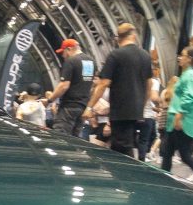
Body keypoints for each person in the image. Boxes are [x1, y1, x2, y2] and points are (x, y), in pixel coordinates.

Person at [84, 23, 153, 157]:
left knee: (121, 147)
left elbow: (103, 83)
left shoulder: (116, 55)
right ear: (133, 35)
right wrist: (141, 106)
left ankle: (129, 170)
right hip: (136, 111)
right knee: (123, 144)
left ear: (118, 38)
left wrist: (89, 107)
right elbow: (148, 84)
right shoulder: (145, 56)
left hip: (120, 110)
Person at [161, 46, 193, 179]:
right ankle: (163, 179)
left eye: (182, 55)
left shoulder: (191, 75)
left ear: (190, 59)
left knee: (185, 155)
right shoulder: (188, 74)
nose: (179, 58)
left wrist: (179, 115)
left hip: (182, 121)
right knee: (167, 152)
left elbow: (190, 96)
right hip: (176, 120)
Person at [48, 39, 95, 136]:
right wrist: (89, 107)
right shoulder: (91, 62)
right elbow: (92, 85)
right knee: (75, 138)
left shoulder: (71, 61)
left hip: (69, 107)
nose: (63, 56)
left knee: (60, 137)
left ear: (69, 49)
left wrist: (49, 100)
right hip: (83, 107)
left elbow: (64, 86)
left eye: (63, 52)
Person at [139, 68, 161, 161]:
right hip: (147, 115)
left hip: (138, 113)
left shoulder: (138, 81)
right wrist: (162, 101)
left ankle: (145, 155)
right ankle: (142, 159)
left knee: (151, 136)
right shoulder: (154, 82)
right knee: (145, 139)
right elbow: (154, 97)